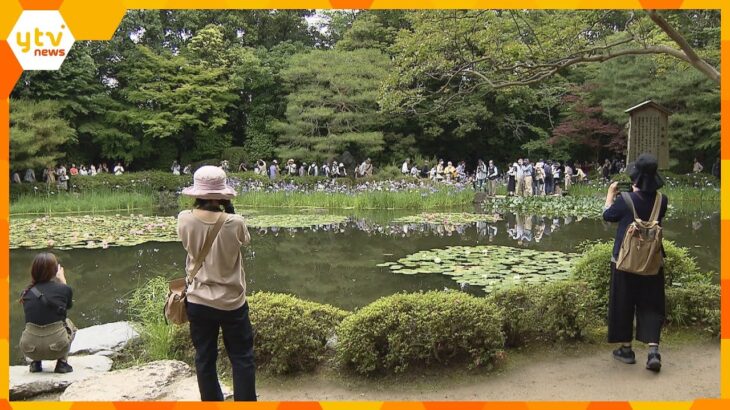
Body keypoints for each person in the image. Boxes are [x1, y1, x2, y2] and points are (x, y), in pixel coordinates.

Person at [178, 166, 256, 401]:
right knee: (242, 357)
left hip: (199, 300)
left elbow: (187, 243)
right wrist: (229, 211)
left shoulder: (184, 219)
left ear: (197, 194)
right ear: (223, 195)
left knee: (204, 357)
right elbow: (246, 241)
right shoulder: (235, 222)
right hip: (232, 301)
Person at [602, 153, 668, 373]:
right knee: (652, 303)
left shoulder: (625, 200)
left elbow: (608, 216)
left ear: (635, 177)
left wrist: (610, 195)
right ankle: (653, 352)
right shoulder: (662, 200)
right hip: (652, 262)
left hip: (625, 260)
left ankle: (626, 349)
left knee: (623, 302)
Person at [18, 252, 76, 374]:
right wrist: (63, 281)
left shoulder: (26, 293)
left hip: (30, 348)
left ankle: (36, 363)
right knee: (70, 325)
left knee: (34, 324)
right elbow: (68, 306)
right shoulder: (64, 289)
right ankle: (62, 363)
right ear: (55, 270)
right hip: (57, 348)